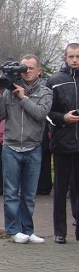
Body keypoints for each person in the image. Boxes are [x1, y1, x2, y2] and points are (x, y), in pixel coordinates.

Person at [0, 54, 52, 244]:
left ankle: (28, 229)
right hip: (11, 147)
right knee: (11, 193)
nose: (26, 71)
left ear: (38, 71)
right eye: (23, 67)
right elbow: (0, 115)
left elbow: (41, 113)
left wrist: (23, 98)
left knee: (29, 194)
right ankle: (13, 230)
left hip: (33, 147)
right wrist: (0, 93)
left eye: (30, 68)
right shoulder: (10, 90)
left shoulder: (45, 91)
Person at [45, 43, 79, 244]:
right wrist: (63, 118)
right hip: (62, 143)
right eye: (71, 56)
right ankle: (59, 231)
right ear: (65, 58)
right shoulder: (55, 81)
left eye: (78, 56)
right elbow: (46, 113)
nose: (75, 60)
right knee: (60, 188)